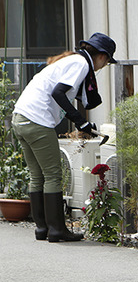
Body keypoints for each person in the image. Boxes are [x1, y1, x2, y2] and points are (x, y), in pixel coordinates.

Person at [11, 32, 117, 242]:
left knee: (37, 176)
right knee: (52, 175)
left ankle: (42, 229)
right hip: (37, 121)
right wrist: (80, 121)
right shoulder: (80, 64)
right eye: (106, 63)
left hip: (20, 117)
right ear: (102, 56)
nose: (103, 67)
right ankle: (57, 230)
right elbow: (59, 93)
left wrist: (82, 121)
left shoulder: (70, 60)